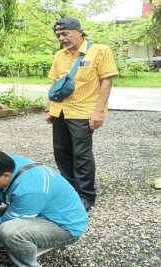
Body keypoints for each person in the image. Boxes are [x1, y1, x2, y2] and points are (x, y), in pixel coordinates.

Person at [45, 18, 118, 211]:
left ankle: (86, 195)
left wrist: (98, 111)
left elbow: (106, 81)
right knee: (61, 152)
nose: (61, 38)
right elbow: (55, 83)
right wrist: (48, 108)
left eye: (65, 34)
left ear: (79, 31)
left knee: (81, 154)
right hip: (60, 110)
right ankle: (70, 190)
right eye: (58, 35)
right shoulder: (59, 55)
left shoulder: (100, 51)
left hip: (83, 111)